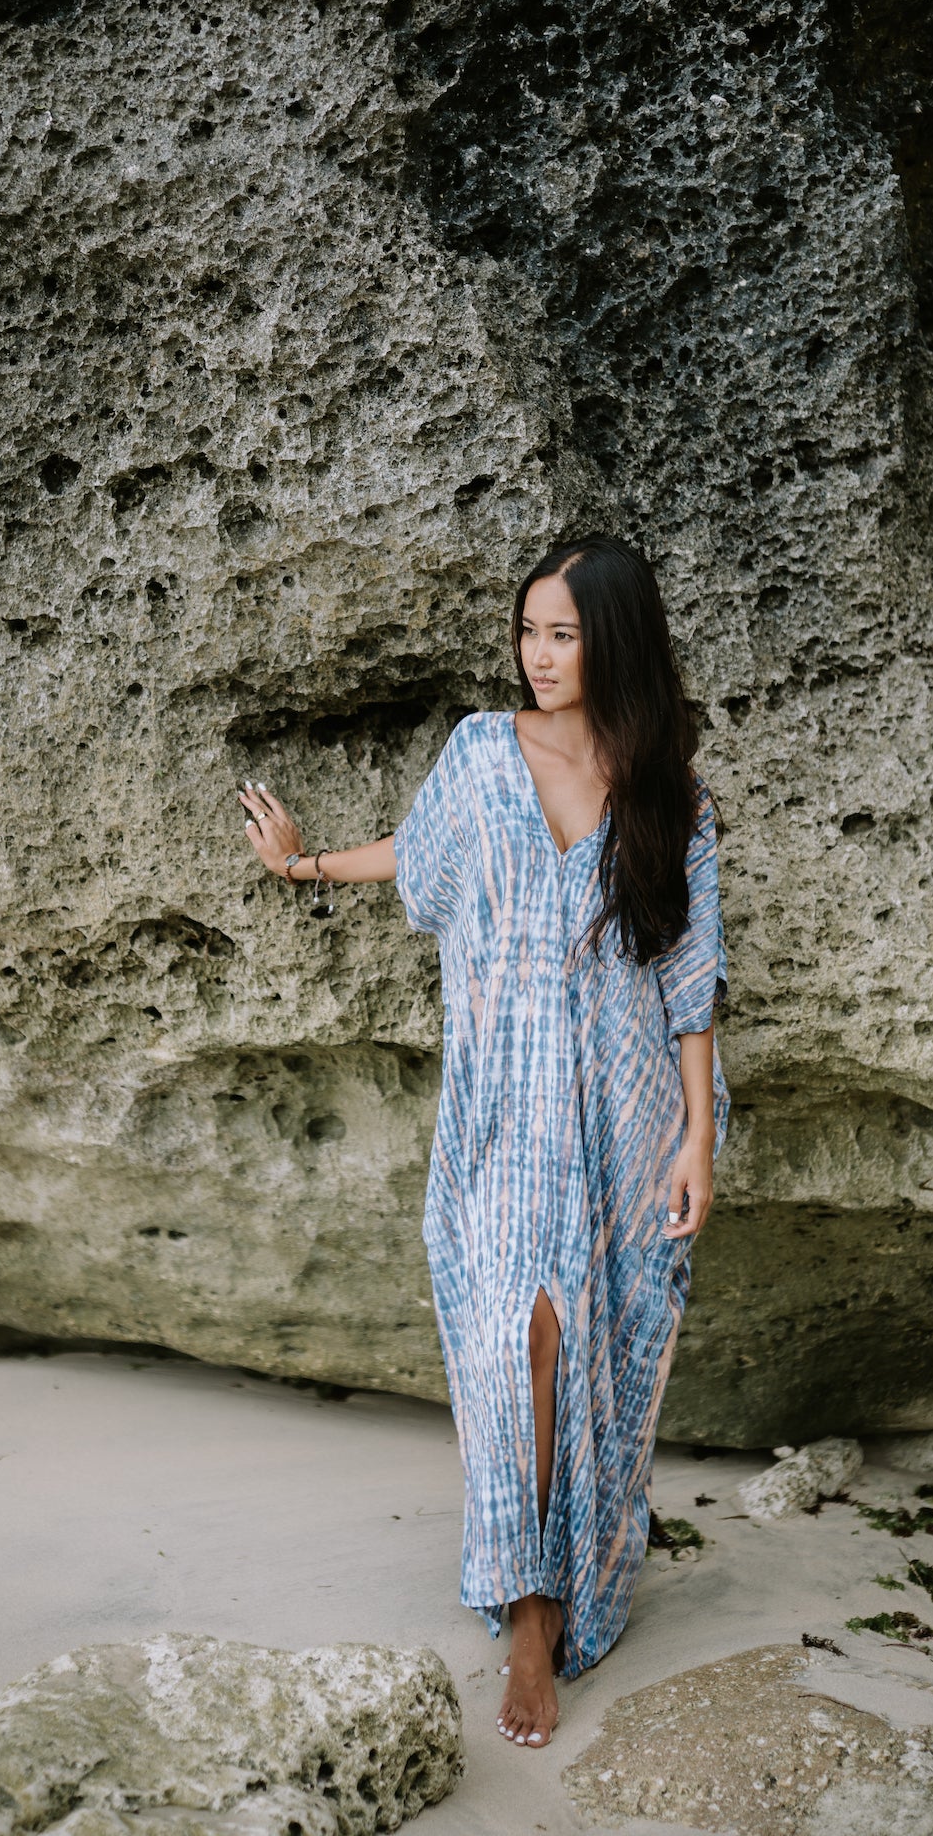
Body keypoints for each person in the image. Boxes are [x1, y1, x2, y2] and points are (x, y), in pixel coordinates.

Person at [237, 534, 729, 1751]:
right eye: (528, 630)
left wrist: (697, 1138)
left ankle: (564, 1581)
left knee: (594, 1340)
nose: (538, 655)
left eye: (564, 633)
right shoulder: (478, 751)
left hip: (621, 1110)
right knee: (522, 1333)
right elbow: (421, 853)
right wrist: (301, 864)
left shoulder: (670, 796)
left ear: (614, 641)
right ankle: (526, 1609)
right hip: (504, 1107)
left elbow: (690, 979)